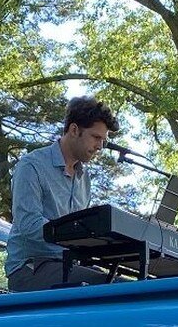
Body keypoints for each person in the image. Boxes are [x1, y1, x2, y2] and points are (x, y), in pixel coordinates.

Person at [6, 96, 119, 292]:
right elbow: (28, 224)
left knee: (133, 283)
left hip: (69, 265)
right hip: (31, 269)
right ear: (74, 130)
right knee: (115, 288)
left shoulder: (84, 178)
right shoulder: (31, 165)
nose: (100, 146)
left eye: (104, 140)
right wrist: (75, 238)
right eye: (96, 137)